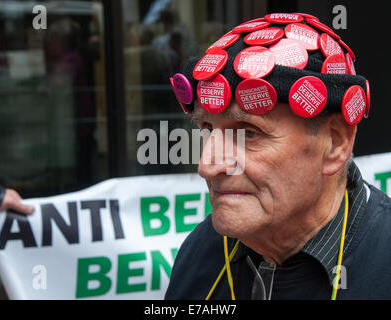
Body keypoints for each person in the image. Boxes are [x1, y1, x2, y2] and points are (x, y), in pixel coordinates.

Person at [165, 13, 391, 300]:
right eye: (207, 129)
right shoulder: (201, 249)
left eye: (249, 133)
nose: (207, 166)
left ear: (335, 143)